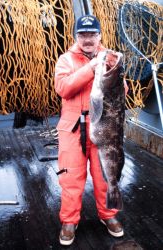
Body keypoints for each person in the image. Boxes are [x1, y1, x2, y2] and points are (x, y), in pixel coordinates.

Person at [54, 14, 128, 246]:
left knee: (105, 176)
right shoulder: (65, 59)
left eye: (92, 34)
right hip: (73, 130)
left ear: (99, 36)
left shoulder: (109, 57)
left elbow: (122, 91)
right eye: (83, 34)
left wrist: (115, 68)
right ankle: (69, 221)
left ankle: (108, 214)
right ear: (76, 36)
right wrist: (91, 68)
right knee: (71, 177)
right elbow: (63, 88)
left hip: (104, 128)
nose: (88, 39)